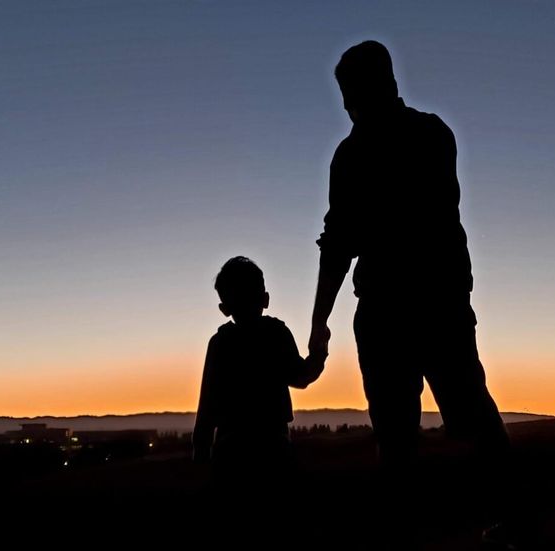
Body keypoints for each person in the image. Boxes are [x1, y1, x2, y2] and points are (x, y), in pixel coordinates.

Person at [308, 41, 509, 467]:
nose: (347, 107)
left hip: (406, 309)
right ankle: (507, 519)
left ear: (382, 85)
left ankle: (493, 520)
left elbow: (342, 242)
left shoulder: (358, 154)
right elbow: (345, 238)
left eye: (351, 95)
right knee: (458, 422)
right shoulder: (431, 134)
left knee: (415, 433)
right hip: (432, 305)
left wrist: (319, 320)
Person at [193, 256, 325, 478]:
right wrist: (319, 353)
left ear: (224, 308)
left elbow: (207, 402)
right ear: (265, 299)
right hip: (274, 444)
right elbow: (301, 377)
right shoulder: (276, 334)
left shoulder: (220, 343)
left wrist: (201, 449)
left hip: (230, 449)